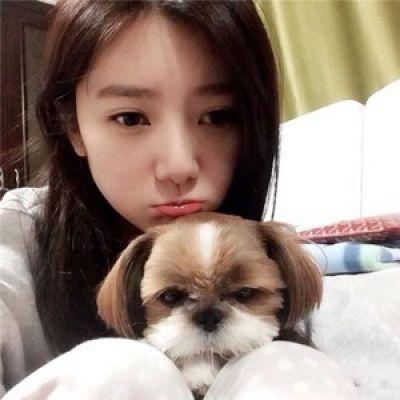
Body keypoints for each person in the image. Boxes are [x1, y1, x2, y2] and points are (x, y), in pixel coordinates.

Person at [0, 1, 359, 399]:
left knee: (289, 366)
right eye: (130, 118)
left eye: (217, 116)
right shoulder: (12, 247)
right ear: (71, 126)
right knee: (124, 367)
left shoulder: (269, 254)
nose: (180, 164)